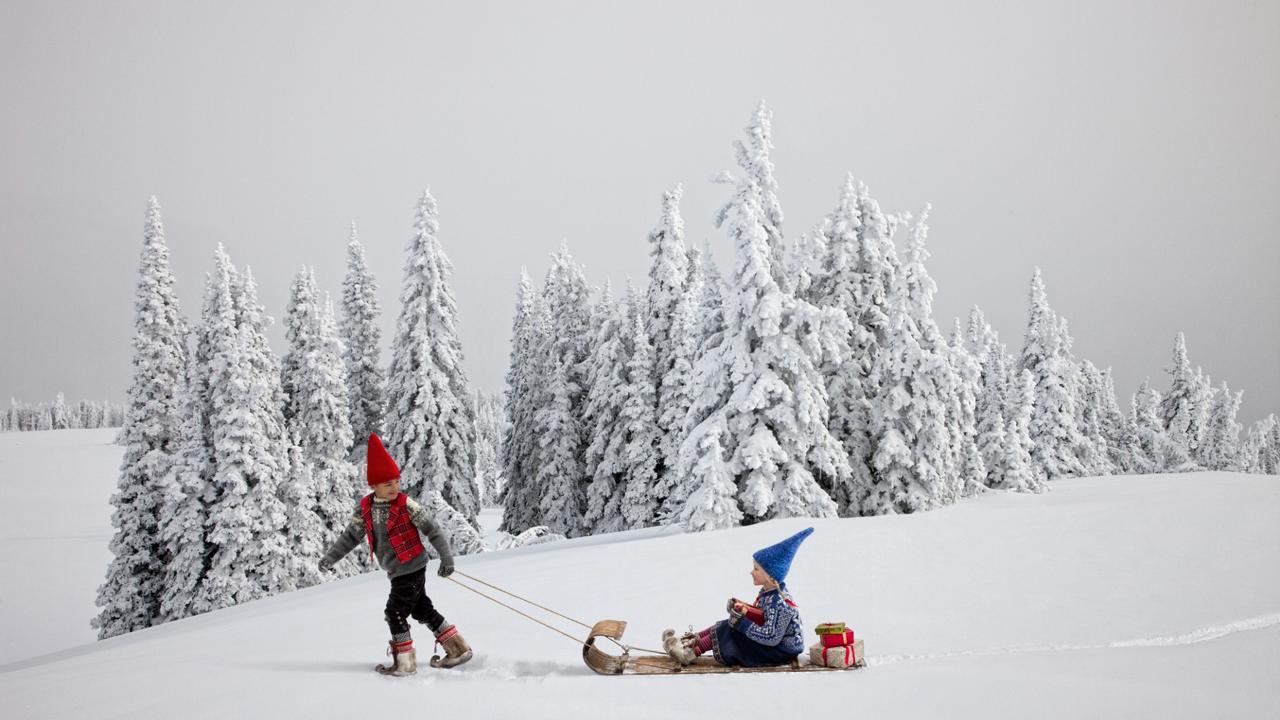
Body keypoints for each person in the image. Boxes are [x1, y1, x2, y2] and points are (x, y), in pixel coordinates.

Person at [320, 433, 472, 676]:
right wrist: (330, 558)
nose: (395, 488)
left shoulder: (407, 505)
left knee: (394, 612)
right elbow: (350, 537)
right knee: (421, 609)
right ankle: (457, 648)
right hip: (397, 570)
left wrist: (447, 558)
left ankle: (405, 662)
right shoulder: (366, 510)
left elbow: (433, 530)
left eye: (397, 482)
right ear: (374, 486)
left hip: (411, 567)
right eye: (388, 484)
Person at [662, 527, 813, 667]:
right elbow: (762, 615)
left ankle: (688, 654)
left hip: (780, 652)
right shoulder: (768, 593)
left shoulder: (781, 604)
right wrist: (743, 608)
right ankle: (687, 642)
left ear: (770, 576)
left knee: (729, 629)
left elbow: (771, 636)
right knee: (727, 623)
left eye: (756, 569)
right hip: (773, 647)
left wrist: (742, 624)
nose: (751, 572)